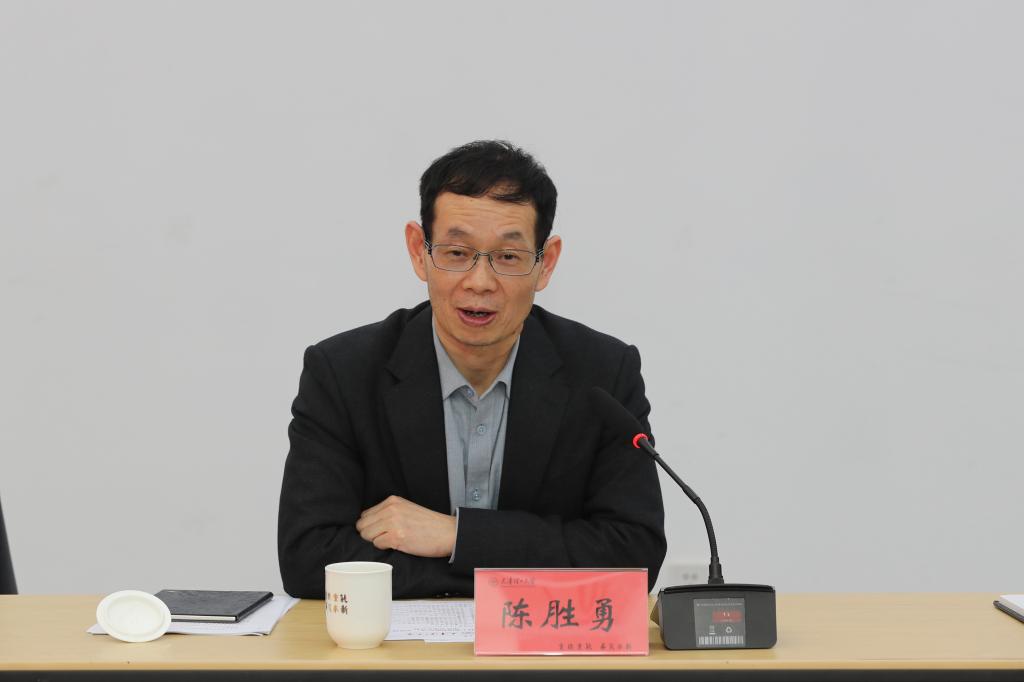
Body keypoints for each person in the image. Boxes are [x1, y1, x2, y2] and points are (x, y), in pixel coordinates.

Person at [278, 140, 666, 598]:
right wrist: (510, 567)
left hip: (540, 644)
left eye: (508, 257)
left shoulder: (603, 373)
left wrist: (457, 537)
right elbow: (309, 559)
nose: (480, 283)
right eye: (457, 253)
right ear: (419, 251)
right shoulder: (343, 373)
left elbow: (633, 556)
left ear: (545, 263)